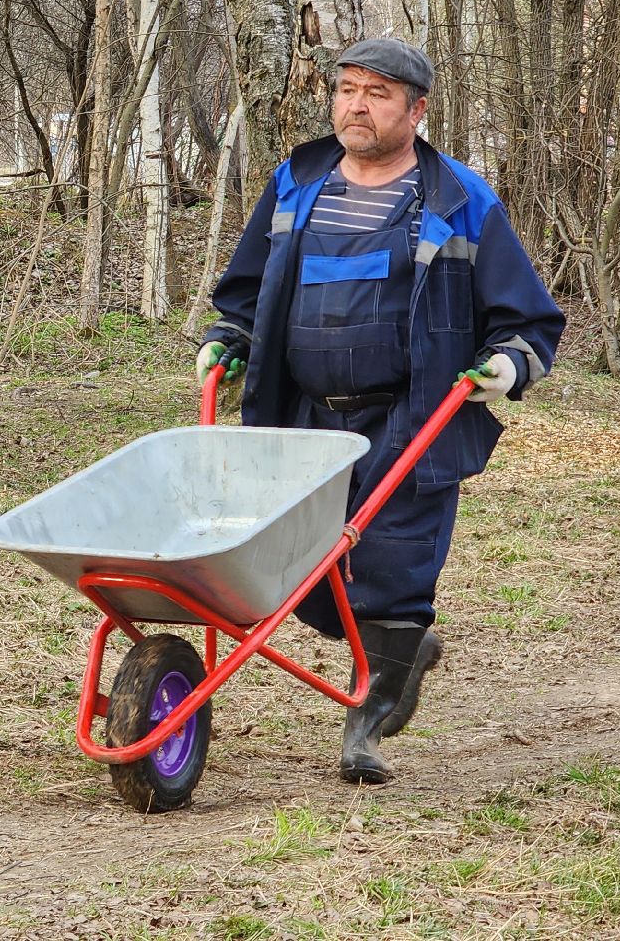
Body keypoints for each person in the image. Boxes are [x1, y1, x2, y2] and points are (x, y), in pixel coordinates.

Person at [196, 38, 564, 783]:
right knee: (305, 576)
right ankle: (398, 653)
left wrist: (509, 364)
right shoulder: (296, 182)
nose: (356, 105)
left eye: (379, 93)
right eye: (347, 89)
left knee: (388, 570)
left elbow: (527, 318)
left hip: (409, 417)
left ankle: (366, 722)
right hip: (300, 413)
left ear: (417, 110)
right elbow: (244, 287)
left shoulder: (459, 199)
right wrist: (226, 338)